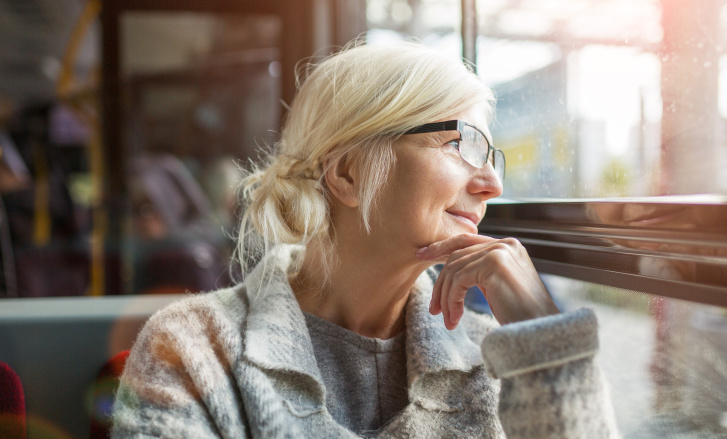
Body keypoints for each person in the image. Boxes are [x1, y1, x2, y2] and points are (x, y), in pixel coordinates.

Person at [112, 41, 619, 438]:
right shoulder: (189, 349)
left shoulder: (499, 356)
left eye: (491, 156)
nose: (492, 184)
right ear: (349, 172)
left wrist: (544, 339)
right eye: (461, 143)